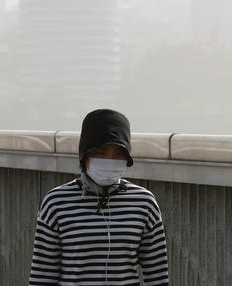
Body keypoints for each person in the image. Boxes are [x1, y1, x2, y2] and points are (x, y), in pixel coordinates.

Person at [29, 109, 170, 285]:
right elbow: (42, 275)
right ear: (84, 156)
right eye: (101, 153)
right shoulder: (57, 202)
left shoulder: (144, 203)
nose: (110, 160)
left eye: (119, 154)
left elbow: (157, 274)